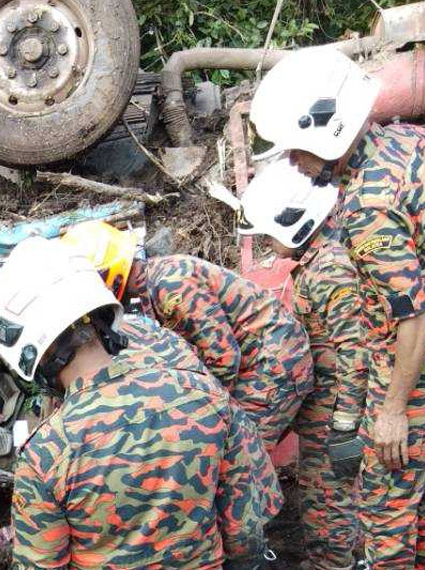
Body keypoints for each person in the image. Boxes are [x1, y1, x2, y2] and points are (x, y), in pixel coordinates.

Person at [0, 237, 282, 570]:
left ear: (30, 354)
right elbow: (244, 531)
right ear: (101, 316)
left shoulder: (45, 456)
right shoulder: (206, 395)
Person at [251, 46, 425, 568]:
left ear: (325, 129)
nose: (291, 163)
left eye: (295, 149)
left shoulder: (370, 206)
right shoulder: (401, 142)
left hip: (406, 384)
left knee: (386, 512)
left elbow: (411, 315)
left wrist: (391, 411)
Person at [61, 222, 314, 450]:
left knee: (238, 454)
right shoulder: (153, 286)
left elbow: (224, 357)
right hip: (261, 360)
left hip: (273, 364)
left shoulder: (171, 285)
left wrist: (198, 410)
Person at [239, 159, 369, 570]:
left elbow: (356, 348)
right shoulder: (320, 260)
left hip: (336, 412)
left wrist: (346, 425)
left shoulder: (328, 270)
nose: (268, 244)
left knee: (327, 506)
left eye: (269, 235)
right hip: (327, 408)